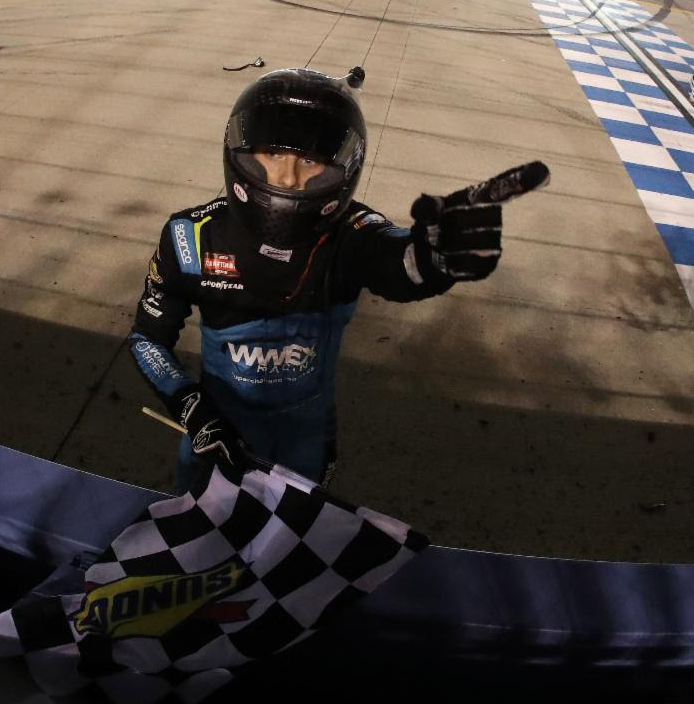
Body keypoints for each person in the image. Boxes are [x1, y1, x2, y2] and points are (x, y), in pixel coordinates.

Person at [129, 66, 548, 489]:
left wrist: (436, 256)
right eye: (273, 154)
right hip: (213, 435)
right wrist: (191, 408)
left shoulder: (351, 233)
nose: (288, 177)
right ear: (238, 150)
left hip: (304, 445)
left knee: (289, 547)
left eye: (310, 160)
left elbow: (395, 261)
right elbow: (148, 337)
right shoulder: (189, 238)